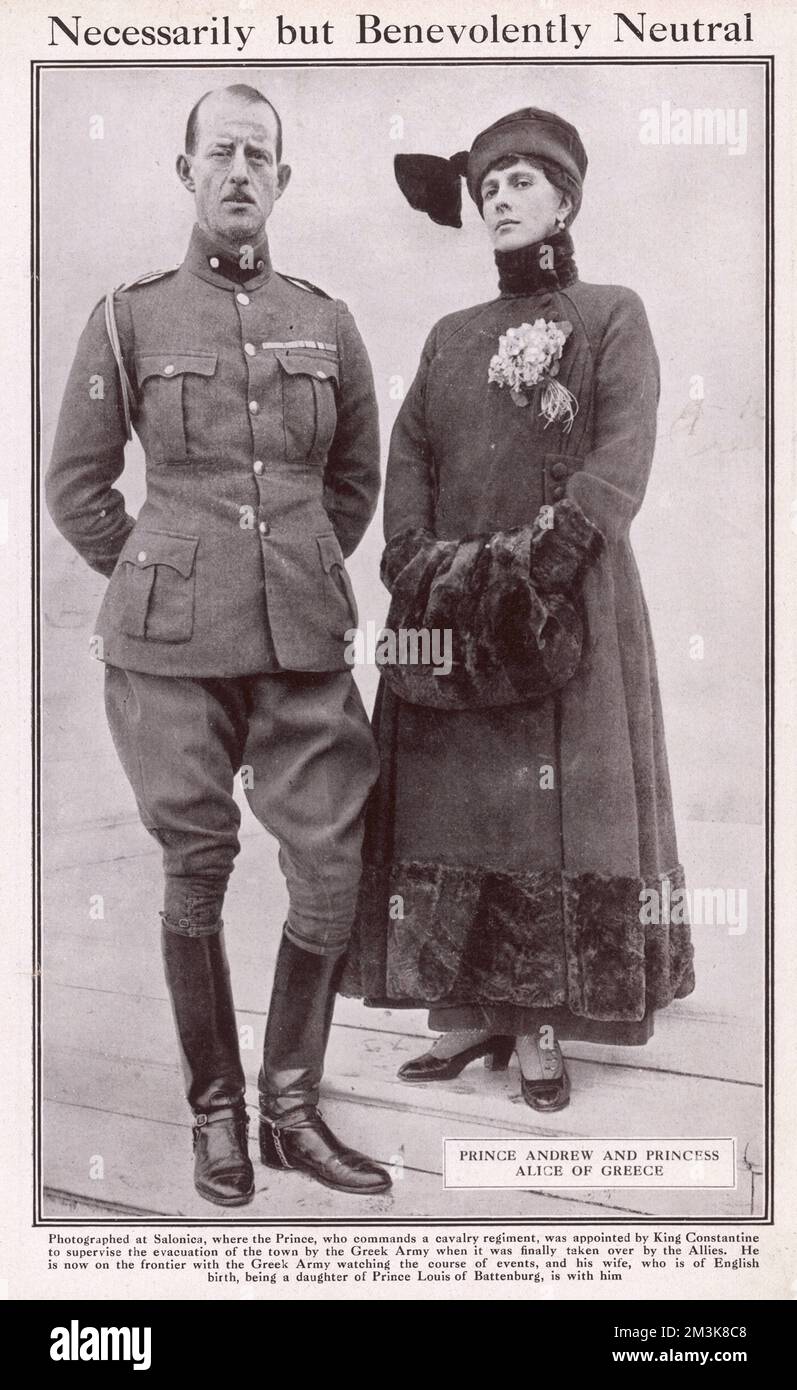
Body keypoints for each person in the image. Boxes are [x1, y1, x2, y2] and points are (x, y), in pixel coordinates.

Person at [46, 84, 391, 1203]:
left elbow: (352, 485)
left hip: (301, 641)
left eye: (261, 156)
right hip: (167, 656)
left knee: (329, 868)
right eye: (220, 153)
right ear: (185, 172)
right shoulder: (126, 317)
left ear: (282, 182)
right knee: (195, 868)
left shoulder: (327, 320)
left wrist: (279, 573)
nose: (240, 171)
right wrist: (164, 580)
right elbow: (78, 486)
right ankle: (216, 1116)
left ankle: (291, 1106)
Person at [341, 107, 695, 1112]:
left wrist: (542, 558)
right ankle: (471, 1014)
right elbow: (407, 458)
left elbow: (619, 455)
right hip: (448, 611)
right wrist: (416, 562)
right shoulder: (450, 338)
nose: (498, 197)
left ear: (564, 201)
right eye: (486, 186)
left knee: (546, 812)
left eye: (520, 184)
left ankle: (540, 1026)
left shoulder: (610, 314)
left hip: (564, 605)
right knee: (456, 800)